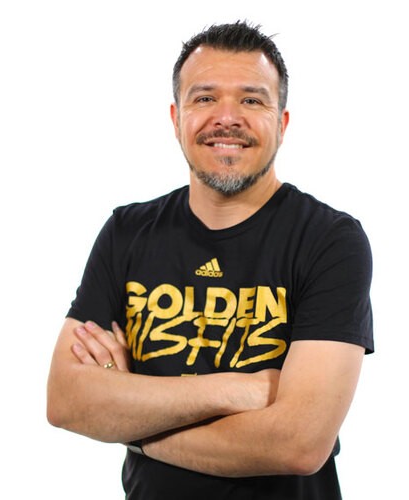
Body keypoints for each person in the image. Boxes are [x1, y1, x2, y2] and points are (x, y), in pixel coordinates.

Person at [47, 20, 374, 500]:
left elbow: (299, 444)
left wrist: (130, 423)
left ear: (282, 124)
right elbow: (66, 400)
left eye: (252, 100)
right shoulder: (126, 233)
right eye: (204, 98)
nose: (227, 118)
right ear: (176, 118)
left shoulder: (329, 240)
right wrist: (240, 389)